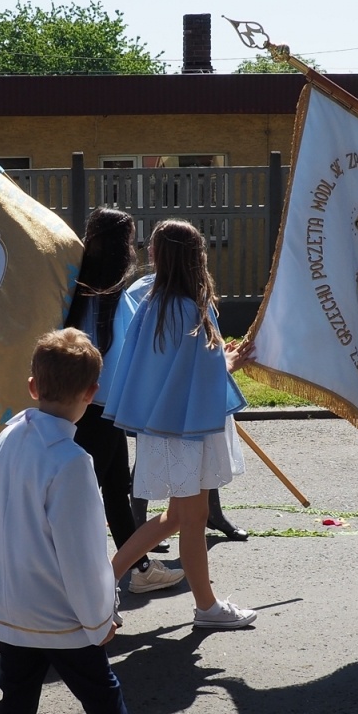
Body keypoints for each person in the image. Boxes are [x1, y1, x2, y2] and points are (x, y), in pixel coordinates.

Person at [0, 328, 200, 714]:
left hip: (13, 605)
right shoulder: (72, 463)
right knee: (104, 703)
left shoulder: (9, 435)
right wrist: (101, 617)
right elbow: (82, 557)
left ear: (32, 386)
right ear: (92, 393)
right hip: (60, 614)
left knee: (14, 713)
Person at [102, 219, 257, 630]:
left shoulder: (156, 302)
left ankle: (103, 580)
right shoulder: (185, 308)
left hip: (170, 425)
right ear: (195, 256)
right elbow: (203, 373)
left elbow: (180, 368)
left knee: (175, 518)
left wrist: (221, 360)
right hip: (185, 429)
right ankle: (206, 607)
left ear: (158, 256)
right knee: (191, 519)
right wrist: (231, 361)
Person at [63, 208, 183, 594]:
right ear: (121, 246)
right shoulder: (110, 293)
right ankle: (74, 582)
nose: (134, 248)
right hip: (98, 407)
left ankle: (142, 568)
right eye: (130, 240)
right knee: (88, 497)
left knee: (114, 490)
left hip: (94, 404)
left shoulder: (76, 287)